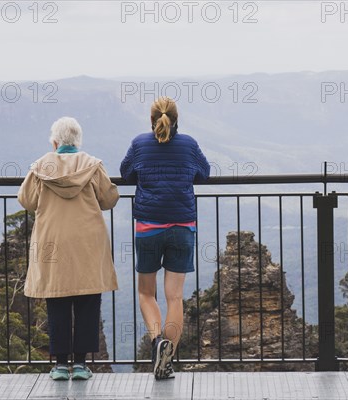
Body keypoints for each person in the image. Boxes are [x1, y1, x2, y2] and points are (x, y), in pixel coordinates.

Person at [18, 117, 119, 381]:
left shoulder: (41, 166)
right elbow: (109, 199)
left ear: (55, 142)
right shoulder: (92, 165)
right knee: (87, 301)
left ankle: (61, 365)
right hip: (87, 241)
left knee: (57, 299)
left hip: (53, 242)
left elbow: (26, 199)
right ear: (78, 141)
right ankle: (82, 365)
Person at [120, 97, 210, 380]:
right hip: (183, 226)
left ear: (151, 120)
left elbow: (125, 173)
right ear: (176, 119)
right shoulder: (190, 145)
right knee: (175, 297)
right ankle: (167, 357)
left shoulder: (139, 143)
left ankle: (157, 340)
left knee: (146, 292)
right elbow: (204, 174)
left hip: (148, 226)